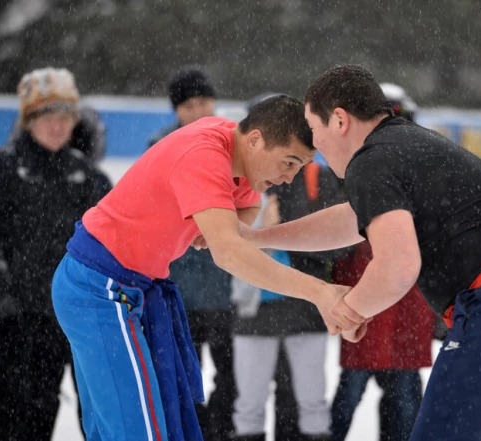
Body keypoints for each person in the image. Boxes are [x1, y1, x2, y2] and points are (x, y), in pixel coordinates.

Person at [239, 64, 481, 441]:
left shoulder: (371, 161)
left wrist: (348, 308)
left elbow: (399, 266)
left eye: (314, 127)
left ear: (339, 120)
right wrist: (259, 237)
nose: (313, 145)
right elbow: (349, 220)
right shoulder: (402, 144)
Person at [51, 95, 363, 441]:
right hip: (99, 287)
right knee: (139, 430)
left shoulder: (238, 152)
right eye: (288, 162)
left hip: (125, 286)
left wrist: (224, 230)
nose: (289, 178)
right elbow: (229, 253)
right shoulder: (205, 154)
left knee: (135, 427)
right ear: (256, 140)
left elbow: (244, 212)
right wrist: (319, 292)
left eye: (298, 168)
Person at [0, 67, 112, 441]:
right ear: (29, 120)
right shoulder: (4, 170)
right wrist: (5, 300)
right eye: (47, 116)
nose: (56, 125)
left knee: (97, 415)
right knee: (20, 417)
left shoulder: (91, 177)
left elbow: (111, 248)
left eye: (64, 116)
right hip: (17, 321)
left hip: (78, 320)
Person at [231, 114, 346, 441]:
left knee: (311, 401)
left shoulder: (316, 178)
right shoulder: (240, 177)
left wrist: (279, 233)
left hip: (303, 305)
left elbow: (338, 241)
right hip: (255, 307)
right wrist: (264, 230)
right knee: (249, 404)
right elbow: (222, 244)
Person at [330, 82, 433, 441]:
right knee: (350, 401)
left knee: (403, 407)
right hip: (370, 293)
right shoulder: (350, 165)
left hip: (403, 300)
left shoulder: (421, 166)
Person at [147, 66, 236, 441]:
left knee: (232, 376)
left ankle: (218, 430)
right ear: (177, 109)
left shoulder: (228, 144)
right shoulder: (160, 146)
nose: (199, 110)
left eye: (205, 101)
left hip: (223, 285)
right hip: (178, 287)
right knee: (185, 374)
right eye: (190, 104)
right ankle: (195, 431)